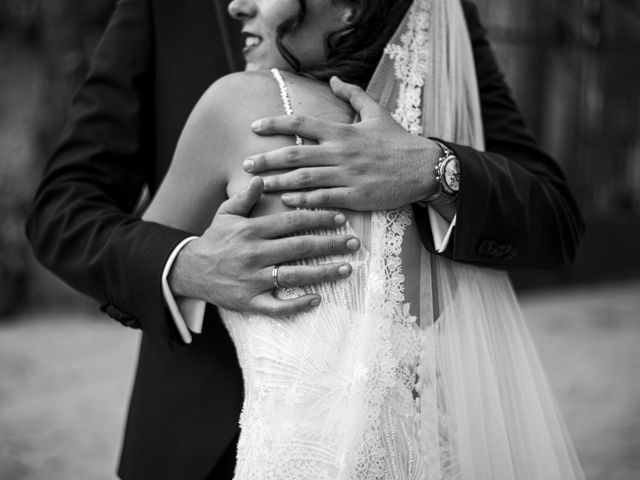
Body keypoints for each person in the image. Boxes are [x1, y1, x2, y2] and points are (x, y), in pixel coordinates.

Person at [24, 0, 585, 479]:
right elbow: (62, 209)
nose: (235, 5)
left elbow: (552, 213)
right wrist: (186, 264)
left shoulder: (433, 12)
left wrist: (433, 169)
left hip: (393, 444)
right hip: (190, 443)